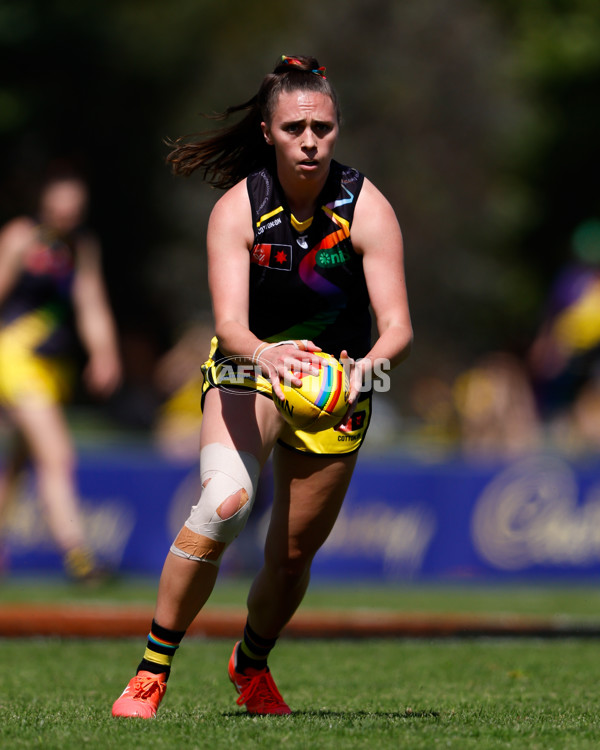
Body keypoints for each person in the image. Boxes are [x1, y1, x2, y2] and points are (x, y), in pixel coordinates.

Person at [112, 54, 412, 719]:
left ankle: (249, 661)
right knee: (226, 502)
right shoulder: (238, 209)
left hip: (338, 388)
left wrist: (362, 372)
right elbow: (228, 324)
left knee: (292, 555)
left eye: (325, 128)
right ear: (270, 133)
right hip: (250, 368)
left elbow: (397, 329)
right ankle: (151, 671)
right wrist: (267, 353)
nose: (311, 141)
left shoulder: (365, 207)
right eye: (297, 128)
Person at [0, 168, 122, 580]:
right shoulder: (21, 236)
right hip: (15, 358)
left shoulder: (81, 247)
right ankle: (79, 557)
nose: (67, 213)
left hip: (53, 368)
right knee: (57, 455)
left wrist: (104, 353)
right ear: (46, 201)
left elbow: (91, 304)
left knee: (18, 462)